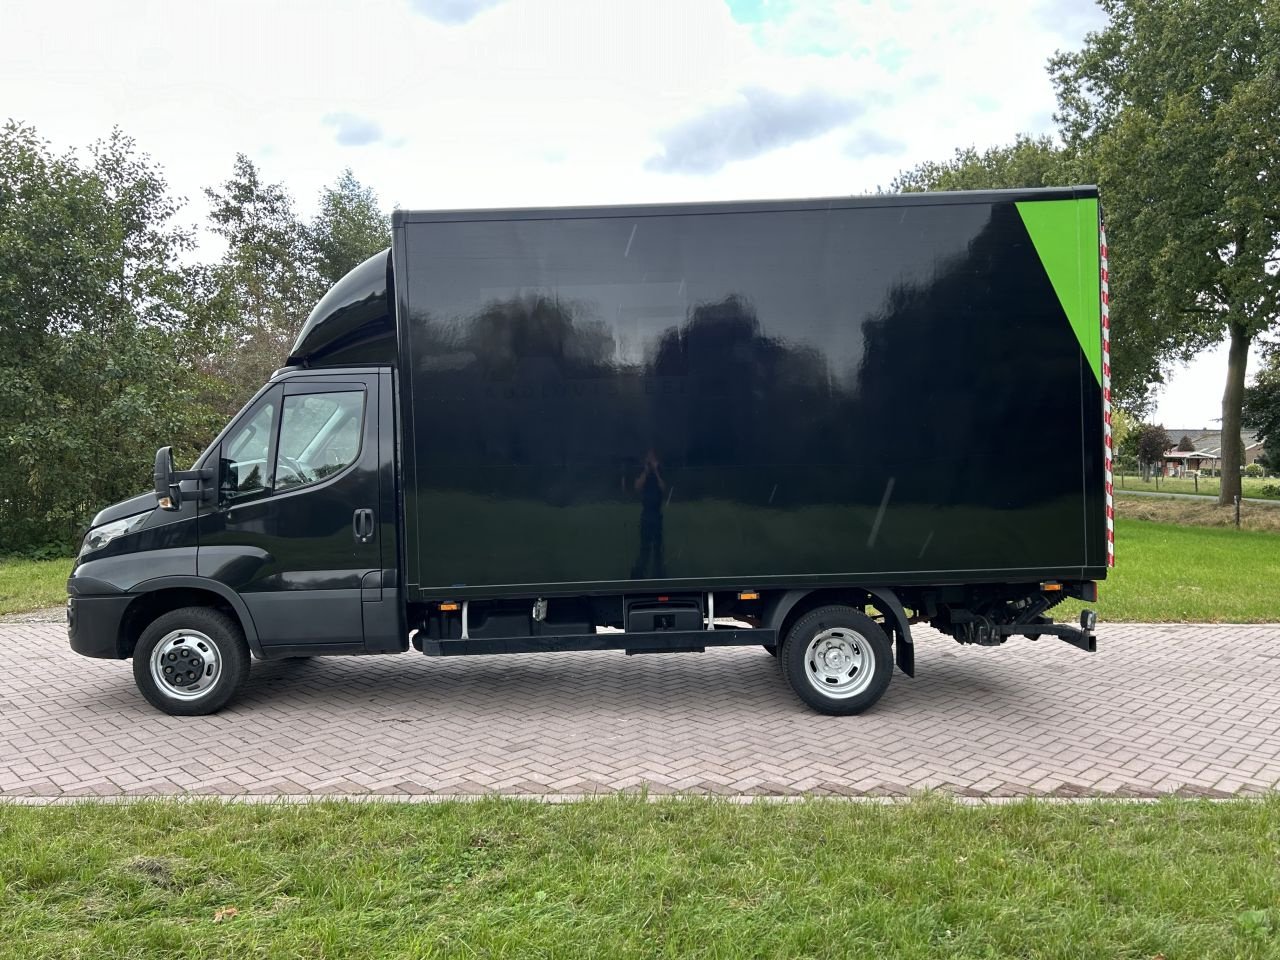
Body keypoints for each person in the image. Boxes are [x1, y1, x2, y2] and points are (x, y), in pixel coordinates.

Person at [630, 447, 666, 579]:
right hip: (646, 514)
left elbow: (663, 488)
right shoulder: (641, 471)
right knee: (644, 547)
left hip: (657, 514)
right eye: (649, 457)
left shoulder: (660, 471)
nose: (651, 460)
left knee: (658, 548)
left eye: (653, 457)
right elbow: (637, 487)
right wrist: (645, 472)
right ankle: (639, 575)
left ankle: (659, 575)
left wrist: (656, 472)